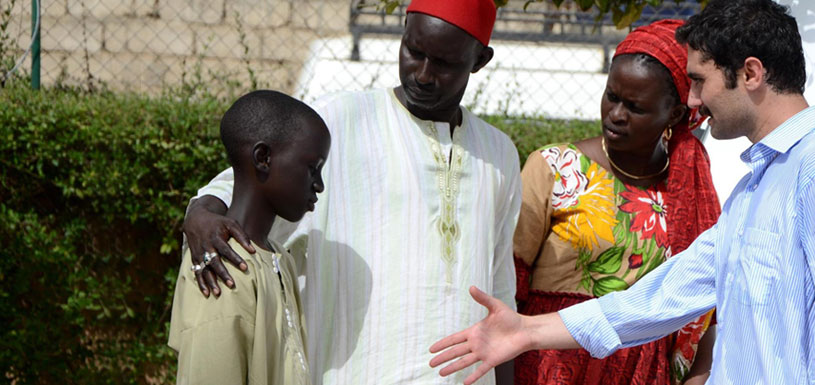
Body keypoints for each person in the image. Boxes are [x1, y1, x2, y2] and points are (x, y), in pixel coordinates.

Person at [428, 1, 815, 384]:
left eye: (700, 81)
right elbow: (661, 297)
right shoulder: (756, 186)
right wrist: (528, 332)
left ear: (750, 73)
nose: (693, 103)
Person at [180, 0, 521, 384]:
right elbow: (241, 180)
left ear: (480, 60)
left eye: (444, 63)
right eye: (413, 51)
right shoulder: (340, 119)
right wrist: (203, 213)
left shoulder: (499, 154)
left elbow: (500, 294)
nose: (423, 75)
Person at [512, 19, 718, 385]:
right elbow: (510, 284)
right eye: (612, 96)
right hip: (549, 366)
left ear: (673, 114)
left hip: (642, 373)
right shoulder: (556, 169)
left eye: (635, 107)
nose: (616, 115)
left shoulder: (689, 188)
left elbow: (704, 304)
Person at [168, 90, 331, 385]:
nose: (319, 185)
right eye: (312, 168)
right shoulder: (223, 266)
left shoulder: (280, 260)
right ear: (263, 158)